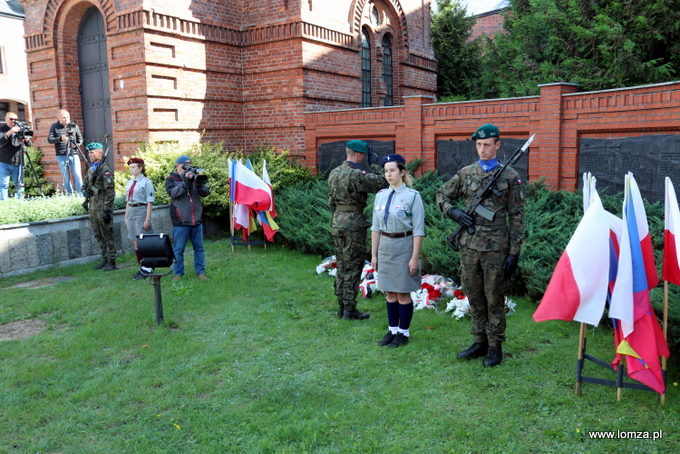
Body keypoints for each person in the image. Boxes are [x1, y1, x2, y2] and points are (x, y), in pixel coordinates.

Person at [436, 124, 525, 367]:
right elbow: (441, 194)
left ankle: (495, 346)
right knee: (474, 295)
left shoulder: (510, 176)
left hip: (496, 249)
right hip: (468, 246)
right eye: (478, 145)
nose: (482, 149)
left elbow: (517, 216)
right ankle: (479, 341)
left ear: (497, 145)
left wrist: (514, 253)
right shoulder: (466, 173)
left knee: (494, 298)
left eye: (487, 145)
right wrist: (452, 212)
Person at [328, 139, 388, 320]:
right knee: (353, 266)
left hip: (337, 222)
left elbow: (331, 202)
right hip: (353, 224)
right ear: (360, 155)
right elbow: (382, 183)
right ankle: (349, 309)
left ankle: (341, 307)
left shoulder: (334, 173)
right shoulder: (356, 175)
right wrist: (376, 164)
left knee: (342, 266)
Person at [371, 154, 425, 347]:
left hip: (404, 246)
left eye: (392, 170)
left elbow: (418, 230)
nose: (389, 174)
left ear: (402, 172)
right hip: (385, 247)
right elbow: (375, 228)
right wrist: (374, 255)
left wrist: (414, 257)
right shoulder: (380, 196)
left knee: (402, 293)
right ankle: (392, 330)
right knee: (389, 293)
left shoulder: (413, 197)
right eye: (386, 171)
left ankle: (404, 332)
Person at [165, 155, 210, 281]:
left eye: (189, 165)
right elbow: (173, 193)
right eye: (184, 166)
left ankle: (200, 272)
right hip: (180, 221)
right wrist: (185, 183)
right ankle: (178, 273)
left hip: (196, 220)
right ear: (177, 166)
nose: (187, 169)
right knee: (178, 250)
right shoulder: (171, 179)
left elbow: (206, 193)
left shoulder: (193, 176)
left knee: (199, 249)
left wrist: (198, 184)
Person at [82, 142, 117, 271]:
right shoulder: (91, 170)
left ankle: (112, 261)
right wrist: (85, 191)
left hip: (103, 208)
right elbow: (84, 185)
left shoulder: (105, 170)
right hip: (92, 207)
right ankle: (104, 259)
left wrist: (107, 210)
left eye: (92, 152)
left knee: (107, 234)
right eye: (89, 152)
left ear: (99, 154)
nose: (89, 155)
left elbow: (110, 192)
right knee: (98, 235)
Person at [124, 157, 155, 280]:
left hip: (141, 211)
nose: (131, 170)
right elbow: (128, 200)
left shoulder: (147, 182)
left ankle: (148, 267)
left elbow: (149, 202)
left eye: (133, 167)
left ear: (140, 168)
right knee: (135, 241)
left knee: (143, 241)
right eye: (130, 168)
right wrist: (126, 216)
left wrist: (147, 219)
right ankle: (142, 267)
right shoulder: (130, 182)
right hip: (131, 211)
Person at [47, 110, 84, 195]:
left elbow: (80, 139)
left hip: (73, 154)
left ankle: (80, 195)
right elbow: (50, 140)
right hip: (61, 155)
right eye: (64, 117)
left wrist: (76, 145)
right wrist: (60, 139)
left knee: (78, 176)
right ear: (59, 118)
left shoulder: (74, 126)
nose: (66, 119)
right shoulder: (54, 127)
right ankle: (69, 196)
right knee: (66, 177)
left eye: (67, 117)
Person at [0, 112, 31, 200]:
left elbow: (29, 144)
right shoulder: (1, 129)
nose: (13, 121)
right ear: (6, 119)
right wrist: (10, 132)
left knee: (19, 183)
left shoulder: (20, 129)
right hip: (4, 161)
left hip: (18, 161)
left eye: (15, 119)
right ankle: (3, 204)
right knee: (3, 184)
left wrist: (27, 138)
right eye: (11, 119)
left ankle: (19, 202)